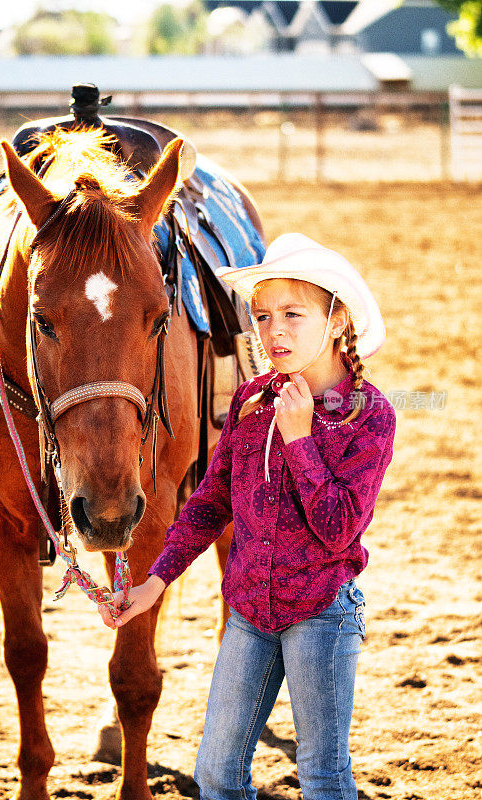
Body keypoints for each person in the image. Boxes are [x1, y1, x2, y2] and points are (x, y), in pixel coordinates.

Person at [99, 232, 396, 800]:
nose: (273, 330)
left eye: (292, 314)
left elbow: (339, 530)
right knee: (215, 774)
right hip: (248, 615)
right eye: (261, 316)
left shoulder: (369, 415)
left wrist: (301, 440)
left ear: (338, 321)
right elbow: (210, 502)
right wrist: (154, 581)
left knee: (323, 776)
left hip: (322, 617)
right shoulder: (252, 400)